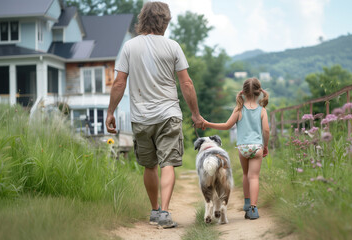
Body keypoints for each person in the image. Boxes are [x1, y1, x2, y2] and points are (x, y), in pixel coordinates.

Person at [105, 1, 204, 228]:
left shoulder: (130, 47)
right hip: (169, 114)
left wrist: (111, 112)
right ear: (165, 21)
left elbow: (119, 82)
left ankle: (154, 210)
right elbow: (186, 84)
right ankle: (165, 213)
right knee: (167, 163)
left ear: (143, 19)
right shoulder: (173, 47)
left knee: (149, 165)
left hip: (141, 117)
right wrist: (196, 114)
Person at [203, 78, 269, 220]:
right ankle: (253, 209)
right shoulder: (262, 110)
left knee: (246, 175)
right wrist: (266, 145)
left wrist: (207, 123)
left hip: (243, 147)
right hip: (257, 147)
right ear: (259, 93)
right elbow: (266, 131)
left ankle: (246, 203)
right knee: (254, 177)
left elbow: (226, 126)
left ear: (243, 92)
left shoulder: (238, 109)